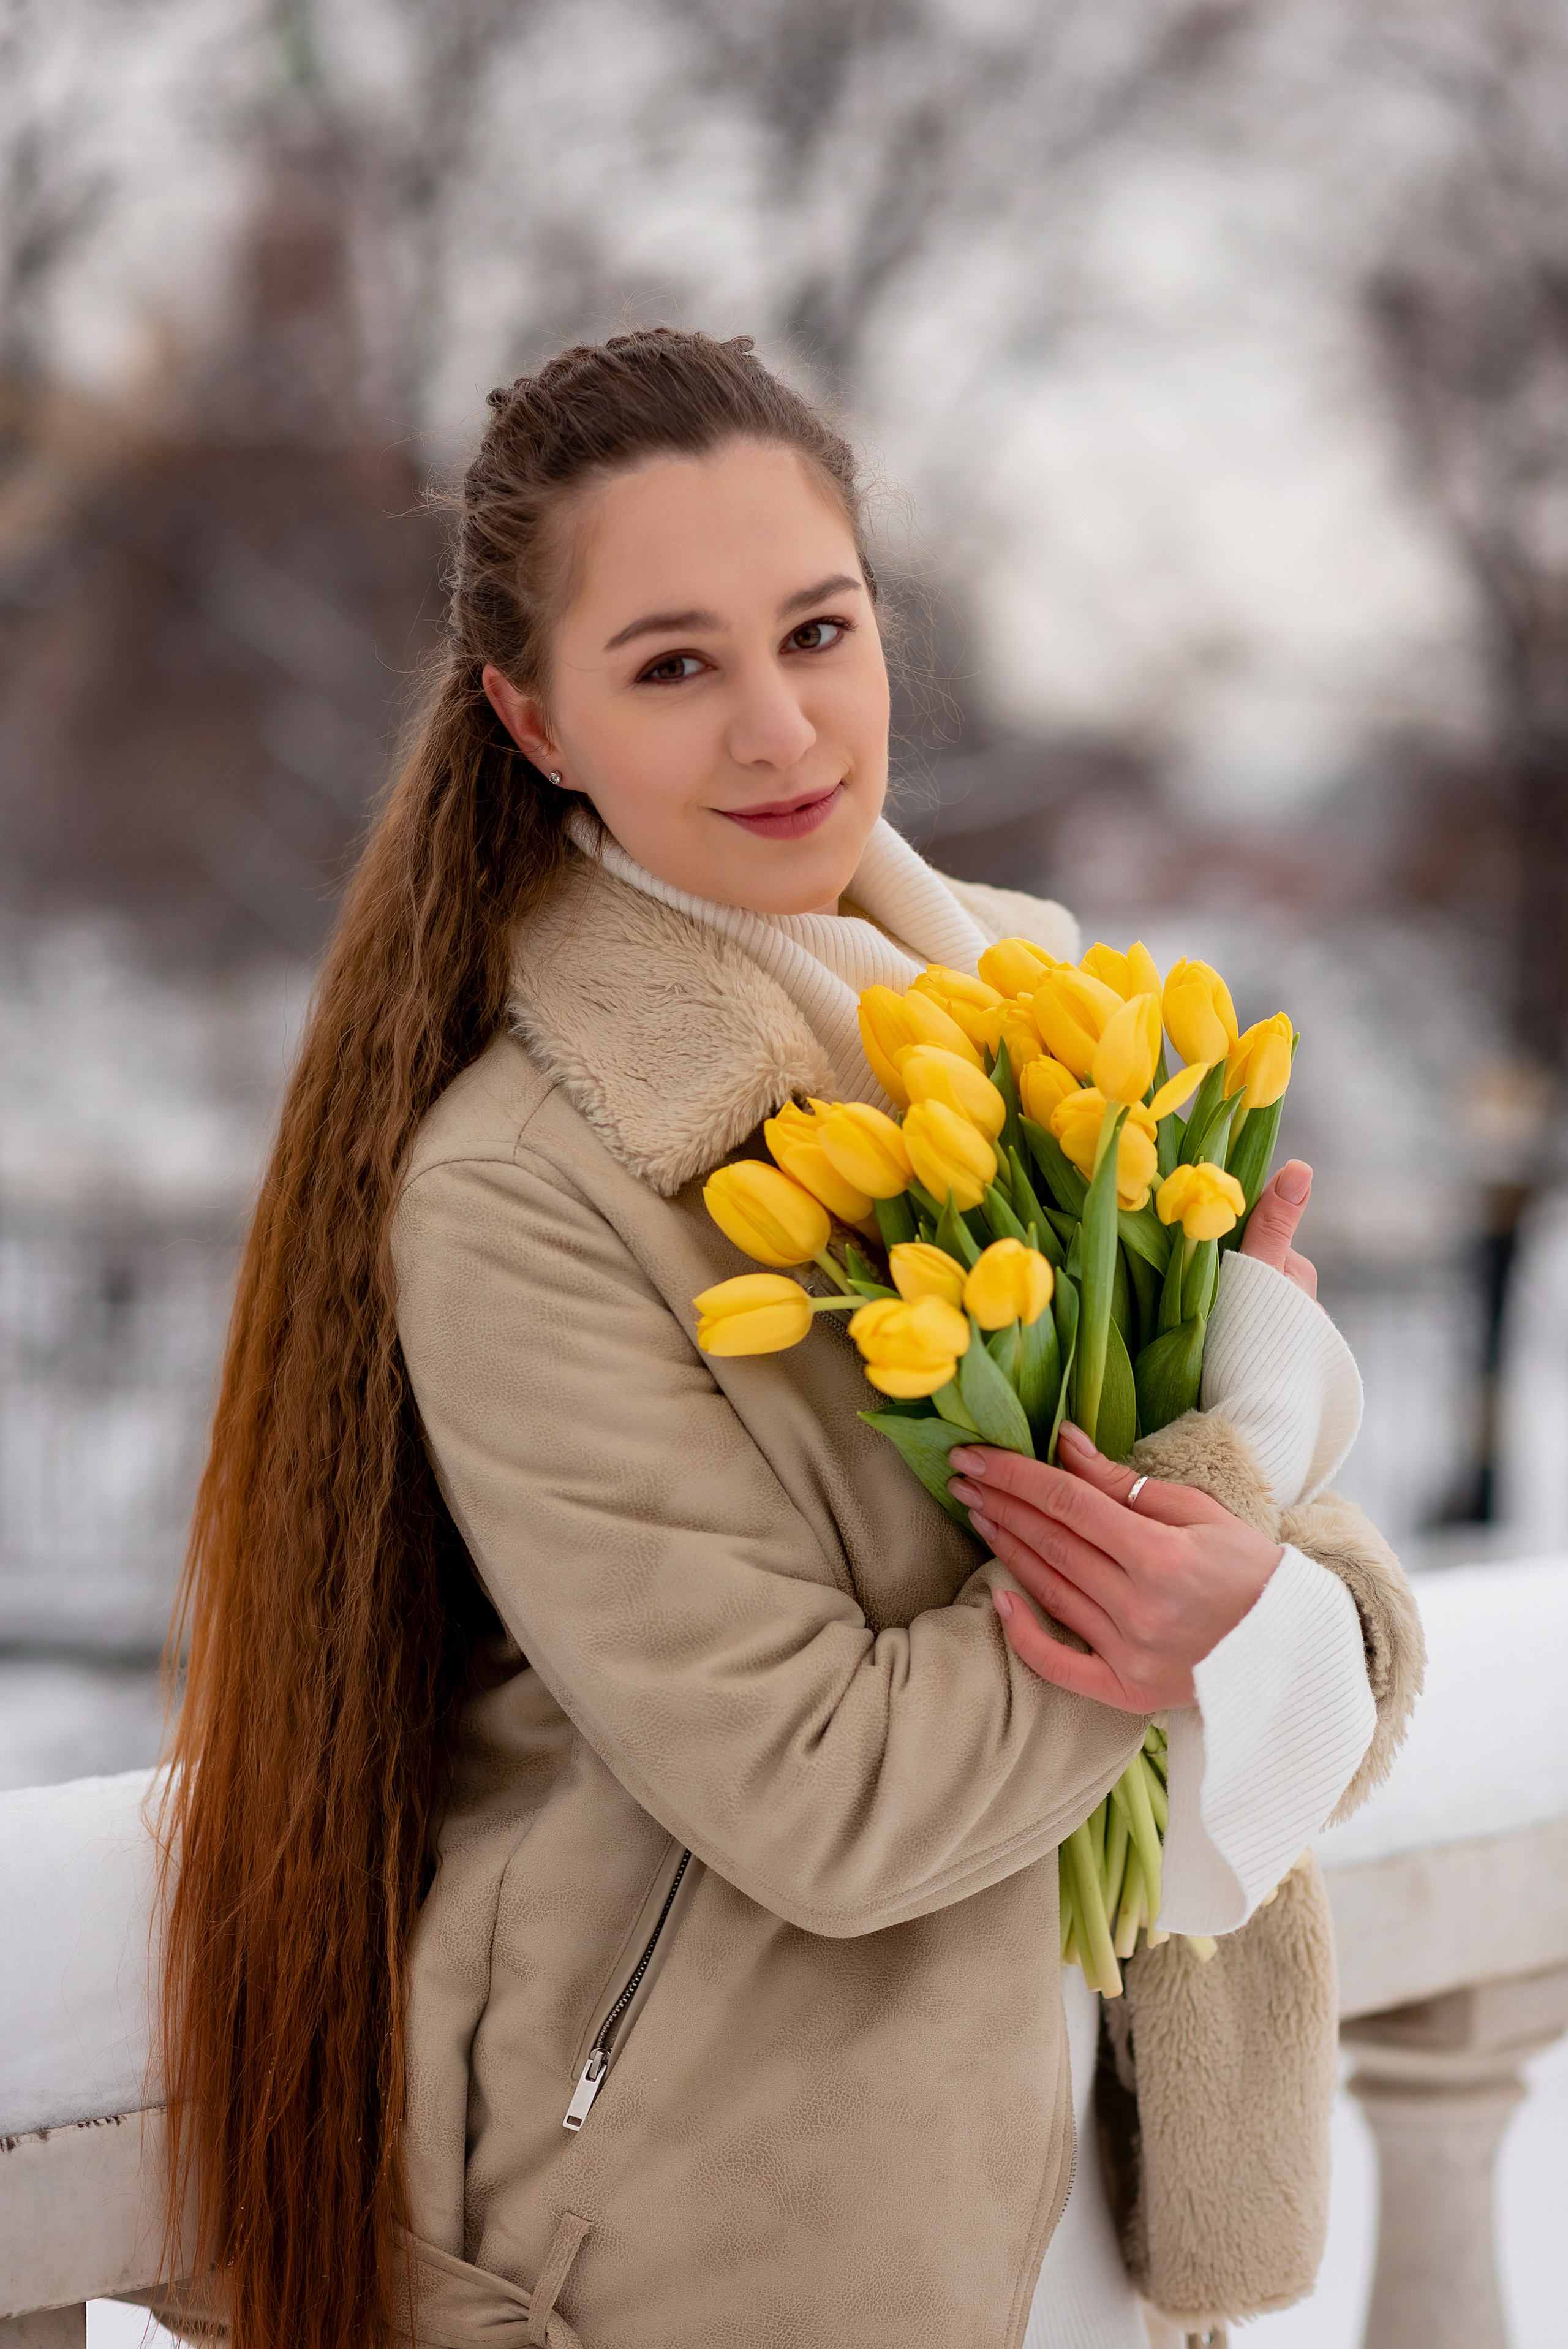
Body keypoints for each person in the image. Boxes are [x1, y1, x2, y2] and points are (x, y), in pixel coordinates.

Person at [154, 328, 1420, 2349]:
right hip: (744, 2233)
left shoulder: (1050, 1024)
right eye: (673, 665)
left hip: (1094, 2211)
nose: (778, 728)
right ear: (533, 718)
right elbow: (824, 1792)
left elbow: (1315, 1613)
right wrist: (1222, 1491)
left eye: (819, 630)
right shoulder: (532, 1187)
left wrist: (1254, 1592)